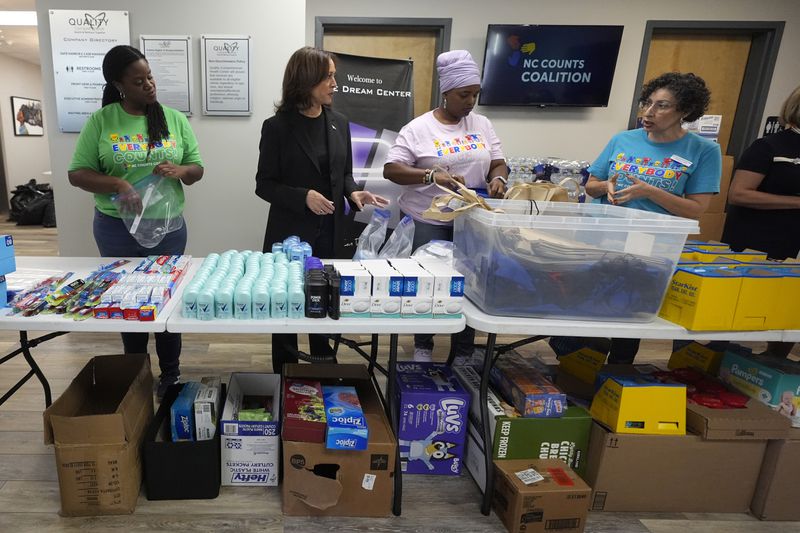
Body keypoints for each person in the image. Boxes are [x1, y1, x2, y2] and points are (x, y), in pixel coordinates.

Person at [68, 45, 204, 398]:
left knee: (167, 302)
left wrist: (181, 170)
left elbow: (197, 169)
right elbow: (77, 174)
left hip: (168, 228)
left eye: (150, 76)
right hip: (117, 229)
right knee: (128, 302)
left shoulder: (173, 119)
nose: (149, 85)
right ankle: (136, 371)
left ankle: (170, 375)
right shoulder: (101, 121)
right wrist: (117, 183)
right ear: (118, 85)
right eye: (138, 80)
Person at [255, 46, 388, 374]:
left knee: (327, 304)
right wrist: (303, 197)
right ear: (306, 79)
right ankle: (285, 374)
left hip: (331, 233)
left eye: (334, 76)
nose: (334, 83)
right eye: (328, 76)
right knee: (285, 309)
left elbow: (343, 174)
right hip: (288, 236)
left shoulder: (339, 123)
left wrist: (355, 192)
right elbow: (264, 185)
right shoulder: (277, 127)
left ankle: (323, 367)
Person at [584, 72, 722, 363]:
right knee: (585, 308)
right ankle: (578, 367)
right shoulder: (622, 139)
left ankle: (616, 376)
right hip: (603, 238)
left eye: (662, 106)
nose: (648, 112)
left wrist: (649, 192)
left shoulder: (704, 150)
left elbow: (696, 209)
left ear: (684, 111)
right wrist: (607, 185)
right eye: (647, 103)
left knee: (630, 316)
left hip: (650, 246)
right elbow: (591, 184)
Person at [384, 49, 508, 362]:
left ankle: (464, 350)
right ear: (446, 92)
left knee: (469, 284)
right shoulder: (419, 128)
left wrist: (499, 179)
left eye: (475, 95)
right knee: (428, 283)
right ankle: (423, 344)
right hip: (428, 220)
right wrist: (429, 174)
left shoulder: (481, 125)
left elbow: (498, 162)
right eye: (464, 94)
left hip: (471, 221)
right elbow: (392, 169)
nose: (470, 102)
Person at [721, 85, 800, 358]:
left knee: (787, 312)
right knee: (743, 310)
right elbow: (738, 194)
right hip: (757, 243)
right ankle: (717, 364)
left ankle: (775, 365)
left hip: (793, 245)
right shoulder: (770, 146)